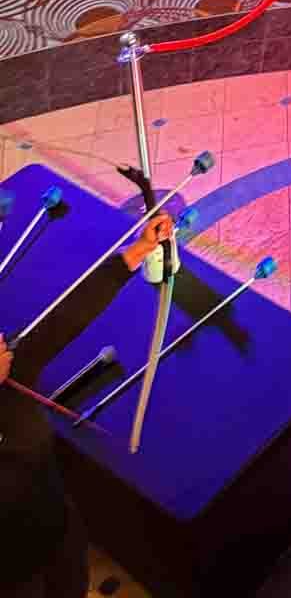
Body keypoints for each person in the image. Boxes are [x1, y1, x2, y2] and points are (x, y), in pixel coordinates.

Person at [2, 212, 175, 598]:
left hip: (54, 523)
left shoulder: (10, 367)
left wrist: (136, 253)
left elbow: (59, 321)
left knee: (70, 581)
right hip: (11, 571)